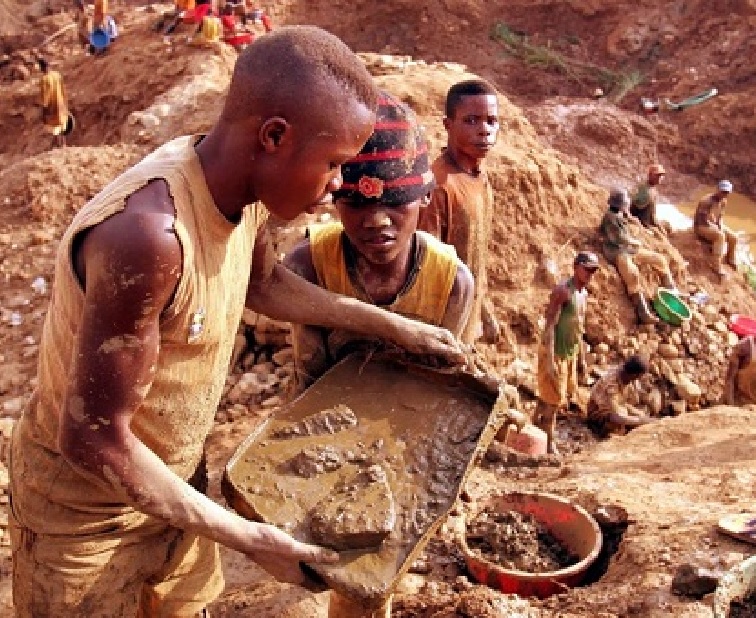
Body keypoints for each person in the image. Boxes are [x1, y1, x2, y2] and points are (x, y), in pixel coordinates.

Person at [9, 27, 463, 617]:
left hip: (173, 490)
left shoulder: (237, 189)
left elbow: (263, 282)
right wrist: (250, 538)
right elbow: (94, 438)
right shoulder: (148, 237)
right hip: (85, 523)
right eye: (332, 165)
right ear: (274, 135)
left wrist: (391, 326)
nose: (332, 190)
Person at [285, 91, 474, 391]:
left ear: (426, 196)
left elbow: (441, 387)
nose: (377, 221)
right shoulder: (310, 267)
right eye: (356, 204)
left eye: (395, 202)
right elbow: (310, 384)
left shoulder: (451, 281)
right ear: (334, 200)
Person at [417, 79, 500, 345]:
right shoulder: (439, 185)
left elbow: (474, 257)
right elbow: (425, 268)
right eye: (471, 121)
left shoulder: (480, 178)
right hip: (442, 329)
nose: (484, 130)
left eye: (491, 121)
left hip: (467, 324)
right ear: (447, 125)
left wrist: (483, 312)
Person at [535, 251, 599, 455]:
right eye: (587, 269)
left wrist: (581, 358)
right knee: (554, 402)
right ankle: (549, 442)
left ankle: (533, 425)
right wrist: (550, 360)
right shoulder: (563, 291)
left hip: (569, 351)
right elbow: (550, 326)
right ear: (576, 267)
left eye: (593, 270)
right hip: (556, 351)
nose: (590, 274)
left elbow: (579, 327)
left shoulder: (584, 294)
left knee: (551, 396)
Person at [600, 187, 678, 324]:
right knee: (632, 274)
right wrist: (634, 242)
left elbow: (628, 225)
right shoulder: (610, 218)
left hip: (628, 249)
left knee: (659, 259)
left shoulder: (619, 214)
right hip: (616, 251)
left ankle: (671, 290)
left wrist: (632, 220)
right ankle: (643, 311)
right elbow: (617, 239)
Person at [587, 355, 656, 438]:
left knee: (641, 414)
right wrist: (640, 421)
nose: (637, 380)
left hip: (616, 407)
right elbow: (614, 416)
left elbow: (622, 403)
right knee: (626, 423)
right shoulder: (612, 385)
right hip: (599, 416)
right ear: (634, 375)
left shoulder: (624, 374)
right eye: (638, 377)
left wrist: (640, 416)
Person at [694, 180, 739, 277]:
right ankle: (716, 265)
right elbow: (702, 221)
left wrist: (720, 226)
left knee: (734, 237)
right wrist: (716, 229)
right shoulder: (706, 201)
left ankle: (730, 259)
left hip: (713, 225)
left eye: (727, 192)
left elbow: (720, 218)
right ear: (717, 189)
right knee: (720, 236)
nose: (724, 194)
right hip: (702, 226)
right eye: (723, 191)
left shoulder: (723, 201)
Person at [38, 57, 70, 148]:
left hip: (52, 105)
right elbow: (63, 89)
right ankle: (63, 144)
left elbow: (45, 95)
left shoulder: (44, 79)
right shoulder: (57, 75)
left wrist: (44, 107)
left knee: (54, 124)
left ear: (41, 68)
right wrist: (65, 100)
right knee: (62, 123)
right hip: (61, 102)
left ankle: (58, 144)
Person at [631, 163, 666, 230]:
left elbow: (652, 213)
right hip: (643, 225)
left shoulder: (651, 189)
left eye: (661, 176)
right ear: (650, 175)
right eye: (657, 175)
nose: (659, 178)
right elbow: (635, 211)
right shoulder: (643, 190)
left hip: (648, 223)